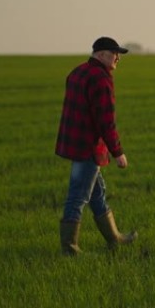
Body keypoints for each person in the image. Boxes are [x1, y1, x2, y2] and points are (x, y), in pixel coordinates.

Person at [56, 36, 137, 256]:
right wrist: (118, 152)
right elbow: (105, 121)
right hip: (89, 147)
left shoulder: (77, 72)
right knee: (78, 196)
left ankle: (115, 238)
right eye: (114, 54)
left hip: (76, 143)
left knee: (97, 194)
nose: (117, 58)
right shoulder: (101, 80)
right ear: (101, 55)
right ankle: (70, 248)